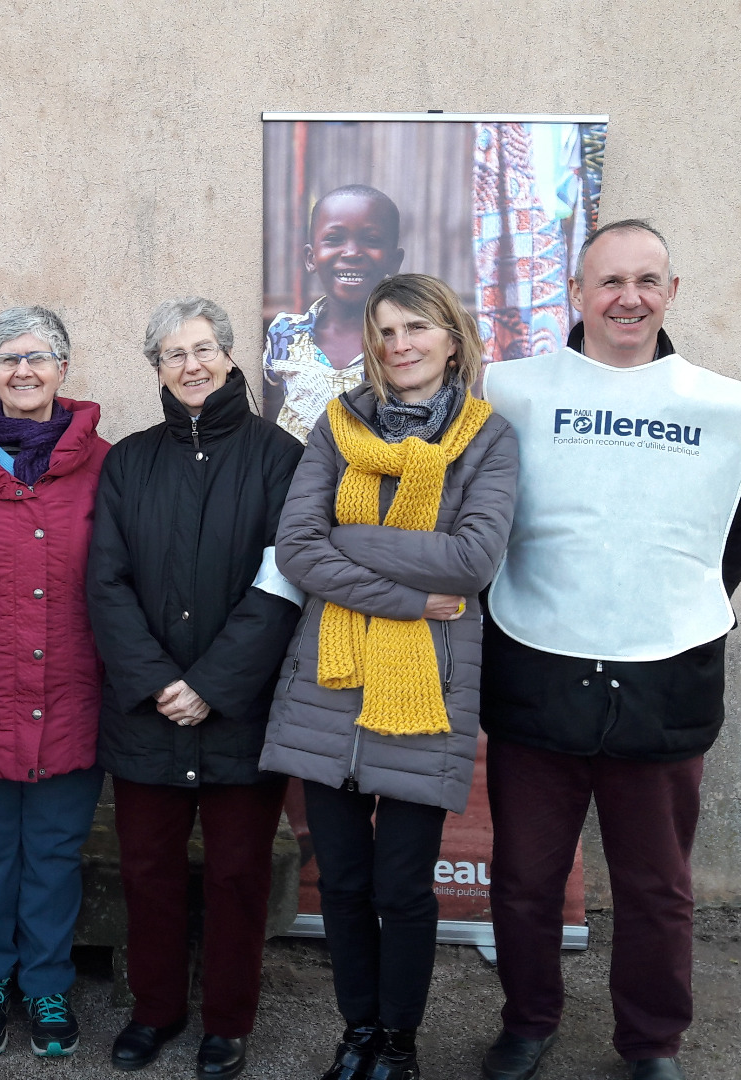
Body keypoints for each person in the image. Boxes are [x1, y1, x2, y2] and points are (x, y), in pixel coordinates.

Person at [476, 220, 741, 1080]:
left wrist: (658, 610)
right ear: (575, 293)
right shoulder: (512, 393)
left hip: (666, 682)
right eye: (609, 282)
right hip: (537, 670)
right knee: (526, 880)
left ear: (672, 292)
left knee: (657, 889)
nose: (628, 298)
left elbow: (735, 534)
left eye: (647, 281)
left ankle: (651, 1043)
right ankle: (527, 1022)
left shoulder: (725, 408)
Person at [261, 274, 518, 1080]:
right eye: (384, 332)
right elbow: (299, 549)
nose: (399, 345)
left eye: (416, 328)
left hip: (424, 693)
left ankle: (399, 1044)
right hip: (329, 685)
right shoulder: (337, 428)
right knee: (339, 880)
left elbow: (474, 560)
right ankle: (358, 1032)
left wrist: (352, 535)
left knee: (403, 888)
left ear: (452, 338)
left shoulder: (487, 439)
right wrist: (410, 595)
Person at [87, 297, 305, 1080]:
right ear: (156, 368)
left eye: (205, 348)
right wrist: (157, 682)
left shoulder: (280, 456)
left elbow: (282, 583)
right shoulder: (129, 460)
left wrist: (211, 684)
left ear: (230, 354)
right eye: (174, 353)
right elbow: (105, 583)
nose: (192, 364)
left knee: (239, 873)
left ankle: (227, 1020)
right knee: (146, 870)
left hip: (240, 712)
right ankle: (155, 1010)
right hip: (147, 713)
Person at [0, 306, 112, 1058]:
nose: (25, 371)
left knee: (53, 852)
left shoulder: (108, 464)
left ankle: (45, 984)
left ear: (64, 370)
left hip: (74, 691)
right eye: (9, 359)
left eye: (40, 357)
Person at [262, 185, 407, 441]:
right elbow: (272, 410)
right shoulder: (285, 334)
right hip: (293, 478)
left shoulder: (406, 343)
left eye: (371, 240)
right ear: (311, 258)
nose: (351, 253)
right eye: (334, 239)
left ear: (394, 261)